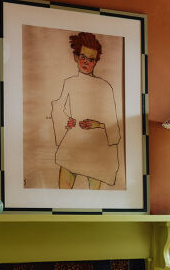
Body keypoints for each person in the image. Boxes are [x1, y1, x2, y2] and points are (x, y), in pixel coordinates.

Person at [50, 32, 121, 189]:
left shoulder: (105, 87)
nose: (86, 62)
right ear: (76, 57)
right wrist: (66, 121)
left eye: (91, 59)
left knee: (94, 197)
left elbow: (113, 123)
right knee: (64, 189)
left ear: (96, 62)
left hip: (98, 146)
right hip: (74, 142)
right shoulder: (69, 83)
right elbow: (57, 107)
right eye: (83, 57)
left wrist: (98, 125)